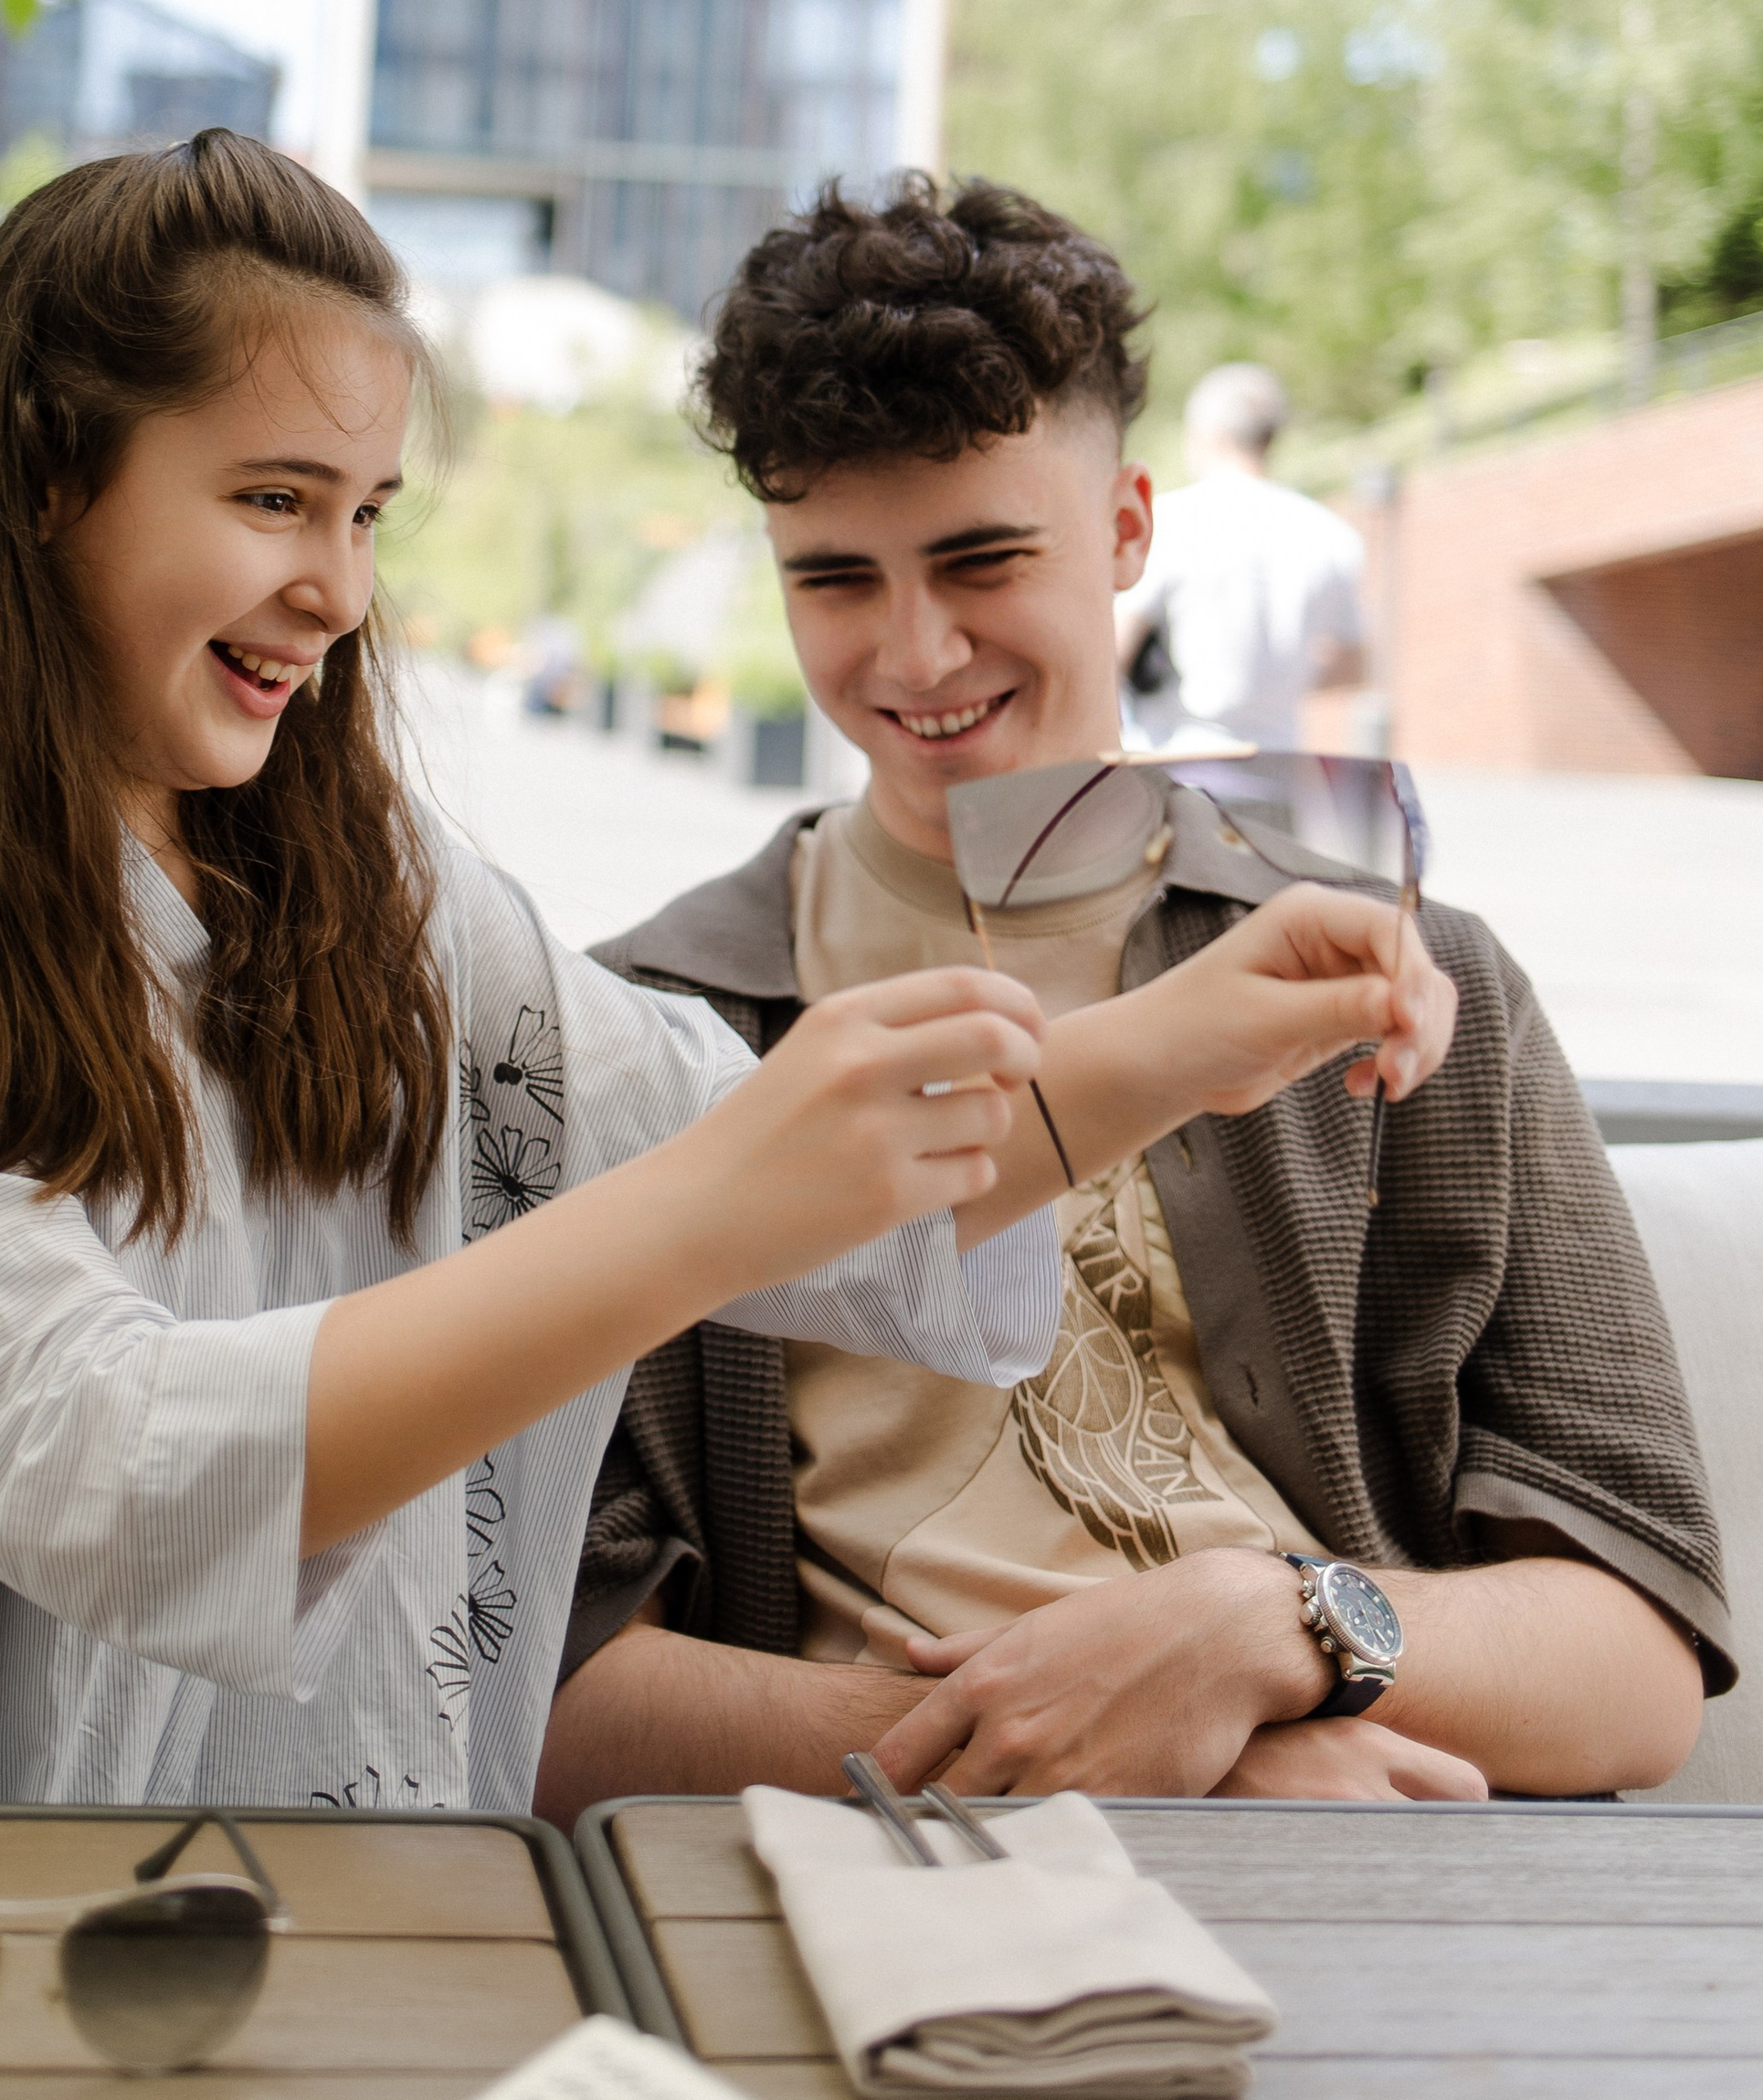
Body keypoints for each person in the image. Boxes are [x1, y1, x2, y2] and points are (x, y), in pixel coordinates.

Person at [0, 135, 1448, 1812]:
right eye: (275, 499)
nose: (338, 591)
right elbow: (96, 1470)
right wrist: (694, 1219)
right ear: (48, 471)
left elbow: (785, 1165)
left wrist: (1188, 1035)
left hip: (251, 1893)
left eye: (364, 517)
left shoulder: (368, 888)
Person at [538, 175, 1728, 1823]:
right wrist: (1147, 1767)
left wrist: (1272, 1629)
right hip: (886, 1872)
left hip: (1381, 1860)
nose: (916, 652)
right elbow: (546, 1684)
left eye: (982, 559)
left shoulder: (1407, 978)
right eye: (835, 580)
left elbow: (1637, 1657)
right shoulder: (645, 1028)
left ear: (1126, 534)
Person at [1117, 361, 1365, 752]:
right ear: (1269, 438)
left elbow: (1118, 645)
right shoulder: (1330, 535)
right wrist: (1281, 679)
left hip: (1178, 759)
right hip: (1281, 766)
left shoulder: (1171, 522)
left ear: (1204, 434)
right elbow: (1356, 662)